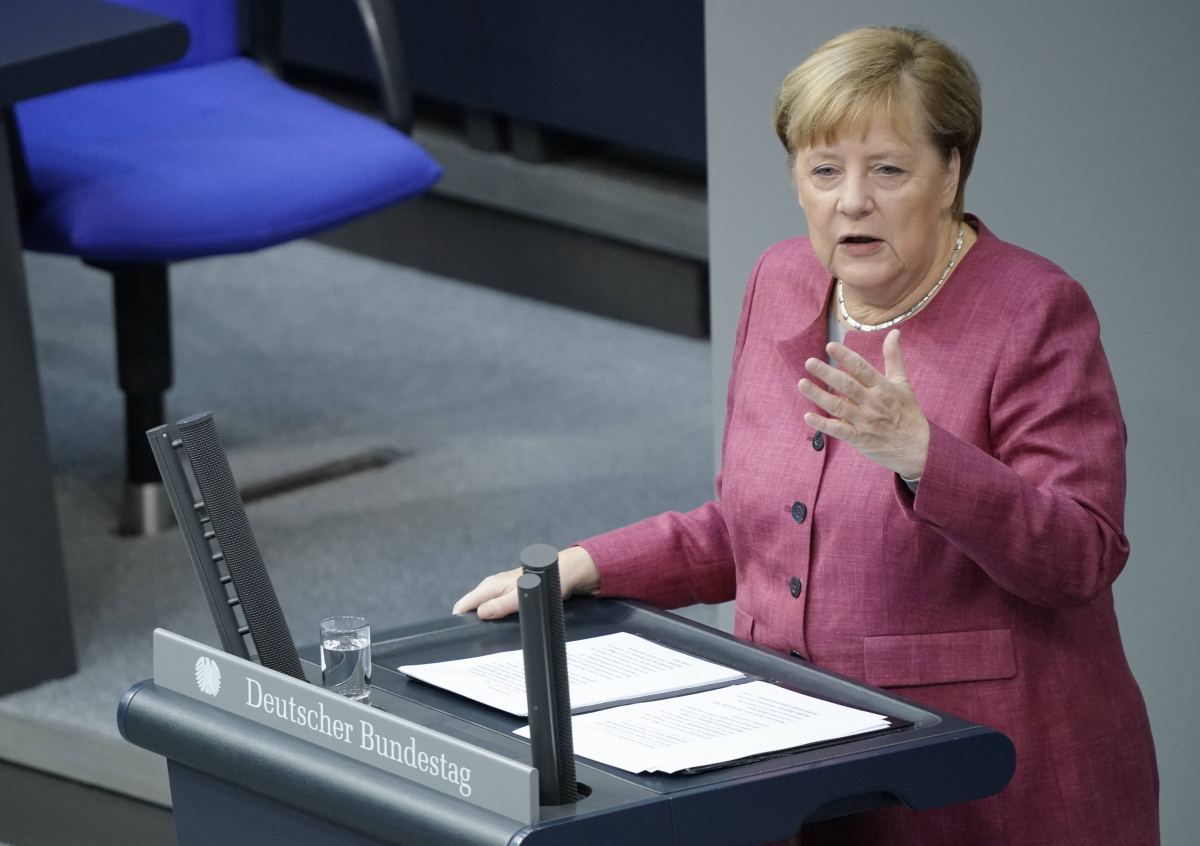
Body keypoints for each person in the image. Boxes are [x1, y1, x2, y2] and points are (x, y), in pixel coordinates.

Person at [454, 26, 1158, 845]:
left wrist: (924, 457)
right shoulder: (780, 280)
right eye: (825, 171)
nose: (851, 200)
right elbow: (760, 528)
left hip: (978, 780)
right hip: (794, 763)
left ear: (950, 173)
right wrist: (594, 563)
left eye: (887, 170)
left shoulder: (1032, 310)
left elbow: (1080, 556)